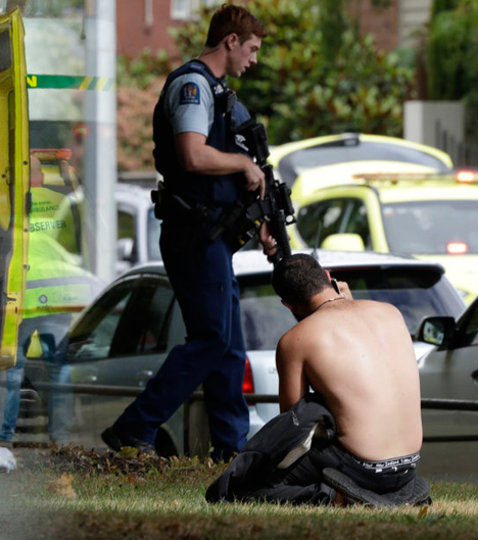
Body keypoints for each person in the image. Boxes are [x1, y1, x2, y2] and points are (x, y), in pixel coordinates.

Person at [102, 4, 273, 460]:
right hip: (193, 234)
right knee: (212, 339)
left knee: (230, 347)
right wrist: (241, 163)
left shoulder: (222, 95)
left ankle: (231, 449)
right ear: (230, 41)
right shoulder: (193, 86)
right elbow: (193, 157)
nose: (254, 60)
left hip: (211, 236)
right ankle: (134, 428)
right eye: (252, 49)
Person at [206, 254, 428, 506]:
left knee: (240, 490)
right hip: (409, 467)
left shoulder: (296, 340)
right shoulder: (390, 313)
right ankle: (389, 494)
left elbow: (293, 423)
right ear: (327, 276)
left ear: (288, 305)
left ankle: (335, 498)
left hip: (361, 468)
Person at [0, 154, 99, 447]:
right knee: (59, 368)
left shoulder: (9, 205)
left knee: (13, 368)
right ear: (41, 178)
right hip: (58, 296)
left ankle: (4, 437)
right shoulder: (60, 201)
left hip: (23, 297)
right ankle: (61, 439)